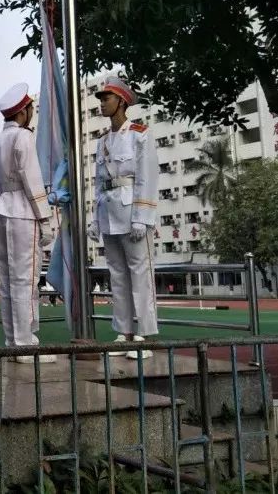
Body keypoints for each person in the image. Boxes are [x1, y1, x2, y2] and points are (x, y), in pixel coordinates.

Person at [87, 77, 159, 360]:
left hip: (132, 211)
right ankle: (124, 331)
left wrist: (143, 216)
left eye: (107, 98)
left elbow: (147, 176)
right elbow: (98, 181)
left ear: (122, 102)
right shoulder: (103, 141)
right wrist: (95, 217)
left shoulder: (140, 134)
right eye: (101, 98)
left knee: (139, 272)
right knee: (117, 274)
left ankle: (144, 332)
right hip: (109, 209)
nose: (102, 103)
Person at [0, 84, 56, 364]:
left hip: (3, 209)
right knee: (26, 280)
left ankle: (12, 341)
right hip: (24, 211)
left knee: (8, 280)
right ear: (23, 111)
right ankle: (26, 342)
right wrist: (45, 217)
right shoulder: (23, 139)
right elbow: (32, 180)